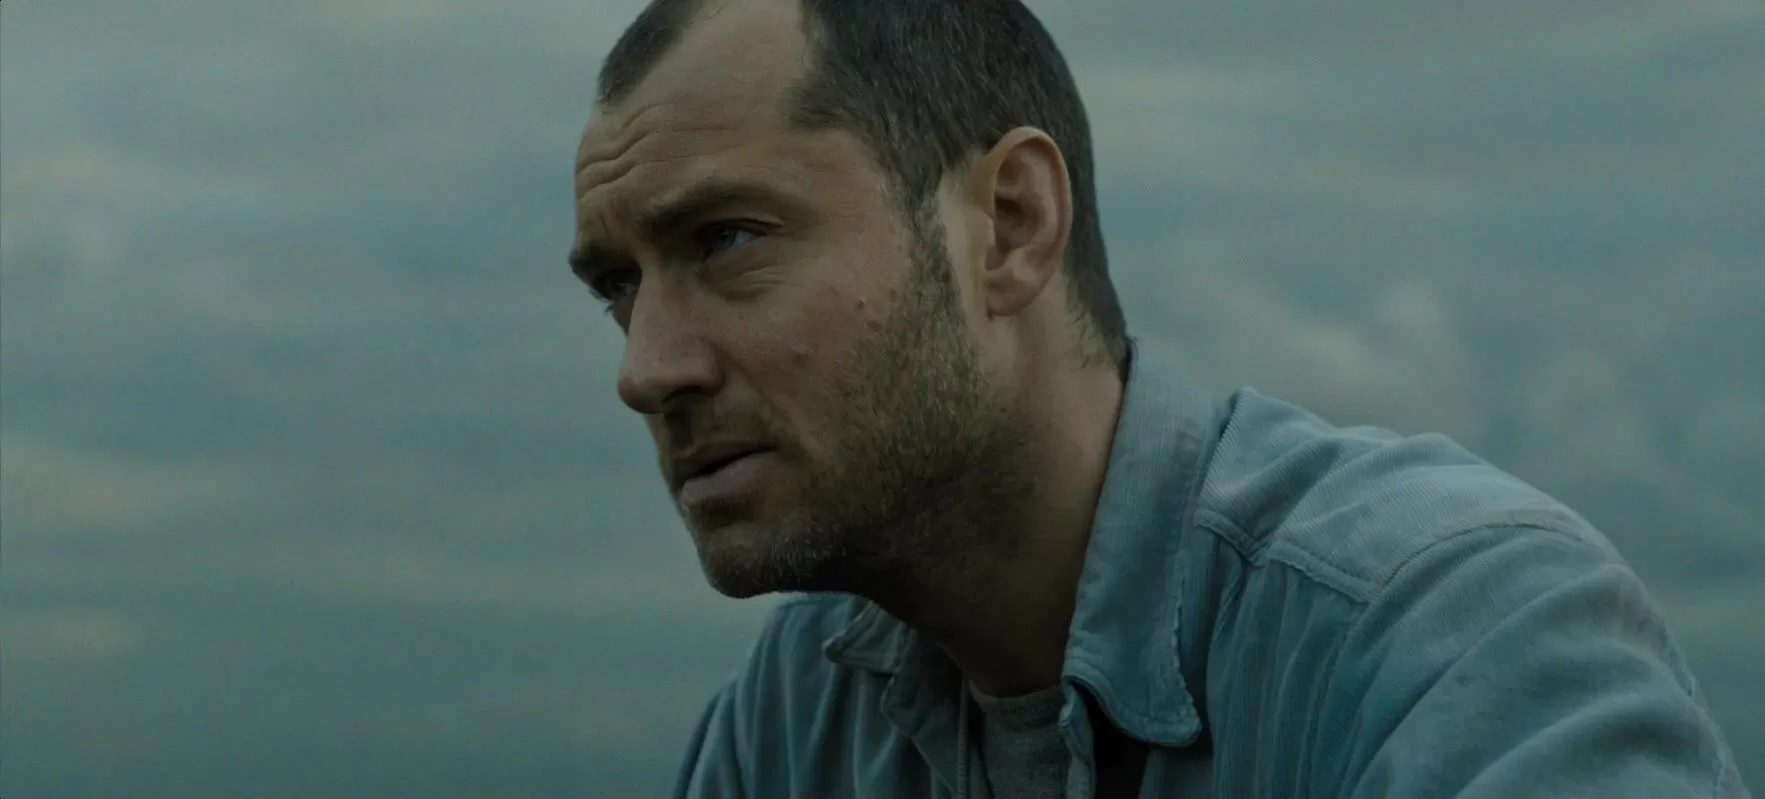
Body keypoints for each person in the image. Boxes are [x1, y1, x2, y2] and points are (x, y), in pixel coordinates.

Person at [569, 0, 1750, 796]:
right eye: (619, 285)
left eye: (727, 239)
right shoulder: (802, 710)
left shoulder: (1445, 630)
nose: (645, 368)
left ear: (1010, 224)